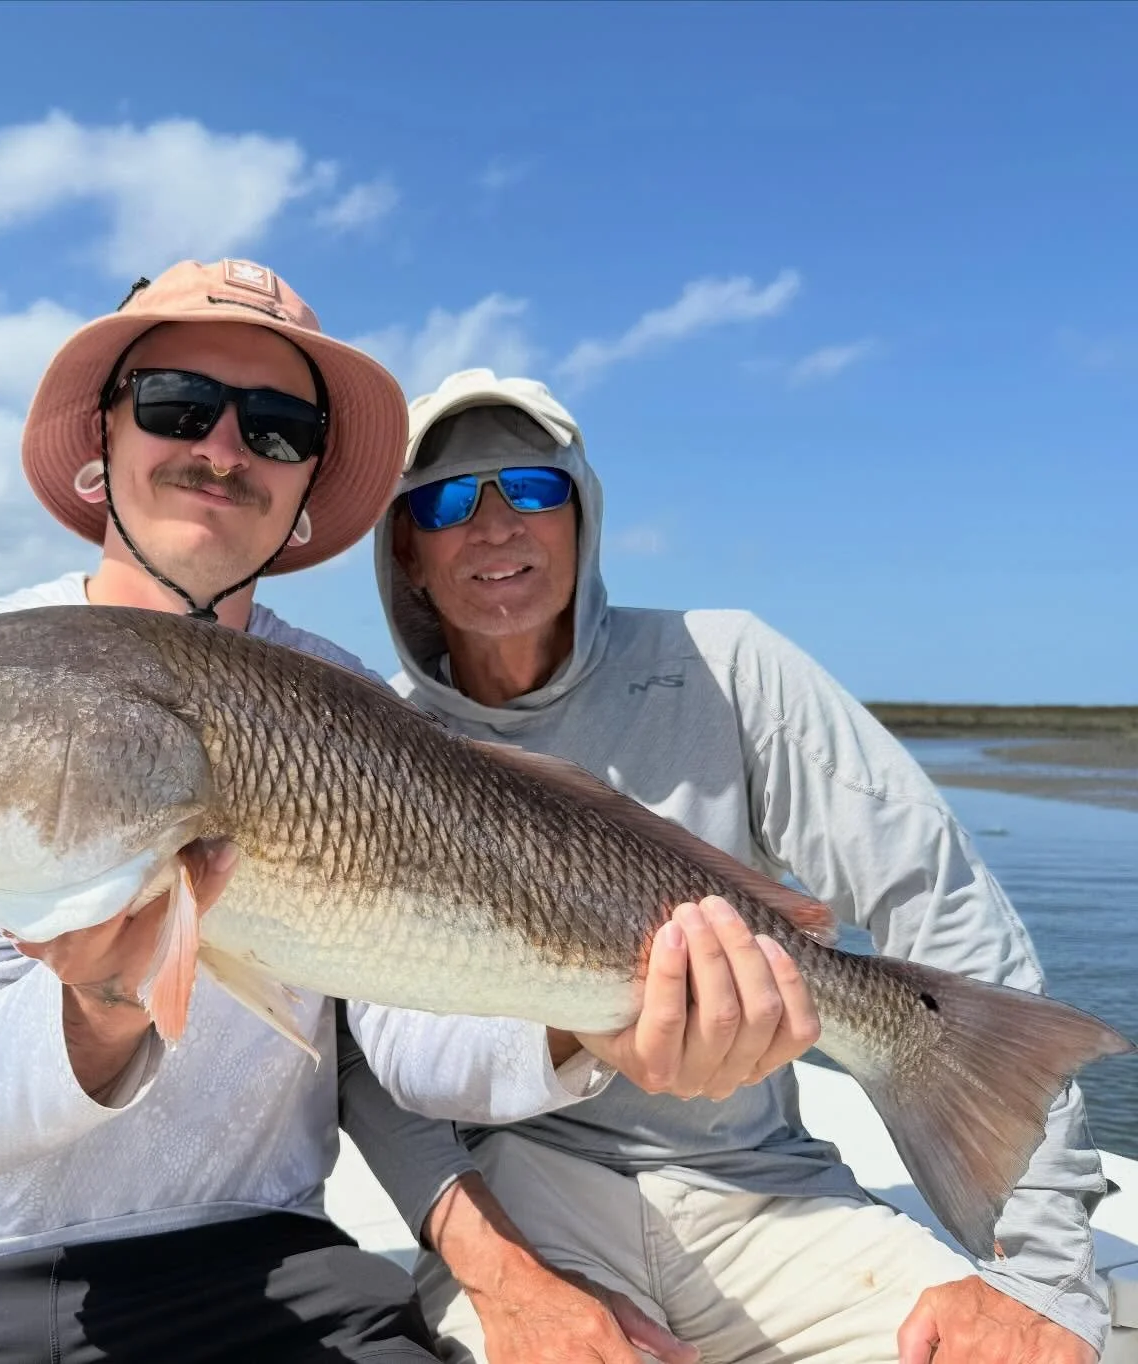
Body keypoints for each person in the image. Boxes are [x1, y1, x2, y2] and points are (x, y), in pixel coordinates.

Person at [0, 264, 807, 1364]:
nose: (224, 447)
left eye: (279, 428)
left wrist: (592, 1020)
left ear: (305, 489)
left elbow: (413, 1040)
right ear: (102, 442)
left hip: (267, 1266)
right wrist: (102, 1002)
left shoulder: (353, 703)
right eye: (176, 405)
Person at [362, 367, 1114, 1364]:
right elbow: (362, 1047)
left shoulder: (731, 662)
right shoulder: (368, 737)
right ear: (405, 549)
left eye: (533, 489)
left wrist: (1044, 1273)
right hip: (528, 1200)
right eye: (450, 502)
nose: (496, 526)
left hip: (762, 1190)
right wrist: (511, 1278)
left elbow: (935, 898)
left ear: (582, 514)